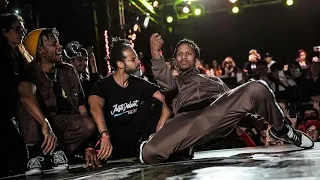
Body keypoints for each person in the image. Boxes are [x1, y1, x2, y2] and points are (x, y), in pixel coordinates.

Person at [139, 33, 314, 164]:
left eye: (188, 53)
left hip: (217, 113)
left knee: (256, 86)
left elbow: (235, 107)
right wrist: (156, 55)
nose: (184, 56)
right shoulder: (174, 81)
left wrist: (254, 122)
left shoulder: (215, 81)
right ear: (175, 60)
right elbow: (166, 86)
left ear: (196, 60)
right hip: (189, 120)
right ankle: (178, 148)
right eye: (179, 54)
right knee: (149, 153)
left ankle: (282, 129)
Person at [17, 28, 96, 175]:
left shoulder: (69, 70)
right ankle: (34, 153)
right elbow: (26, 95)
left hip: (62, 125)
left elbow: (82, 108)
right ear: (40, 50)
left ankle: (57, 153)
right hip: (40, 125)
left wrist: (89, 145)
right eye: (54, 44)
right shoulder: (29, 71)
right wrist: (44, 124)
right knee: (26, 103)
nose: (59, 47)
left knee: (88, 124)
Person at [88, 39, 164, 161]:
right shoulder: (103, 85)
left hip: (134, 137)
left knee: (155, 102)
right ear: (120, 64)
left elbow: (165, 98)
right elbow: (95, 108)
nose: (138, 62)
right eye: (133, 60)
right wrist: (105, 136)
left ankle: (146, 146)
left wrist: (161, 126)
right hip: (113, 139)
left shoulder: (139, 83)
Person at [0, 13, 31, 177]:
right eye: (17, 29)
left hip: (18, 106)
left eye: (23, 29)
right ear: (4, 31)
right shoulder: (2, 56)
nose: (21, 33)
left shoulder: (20, 54)